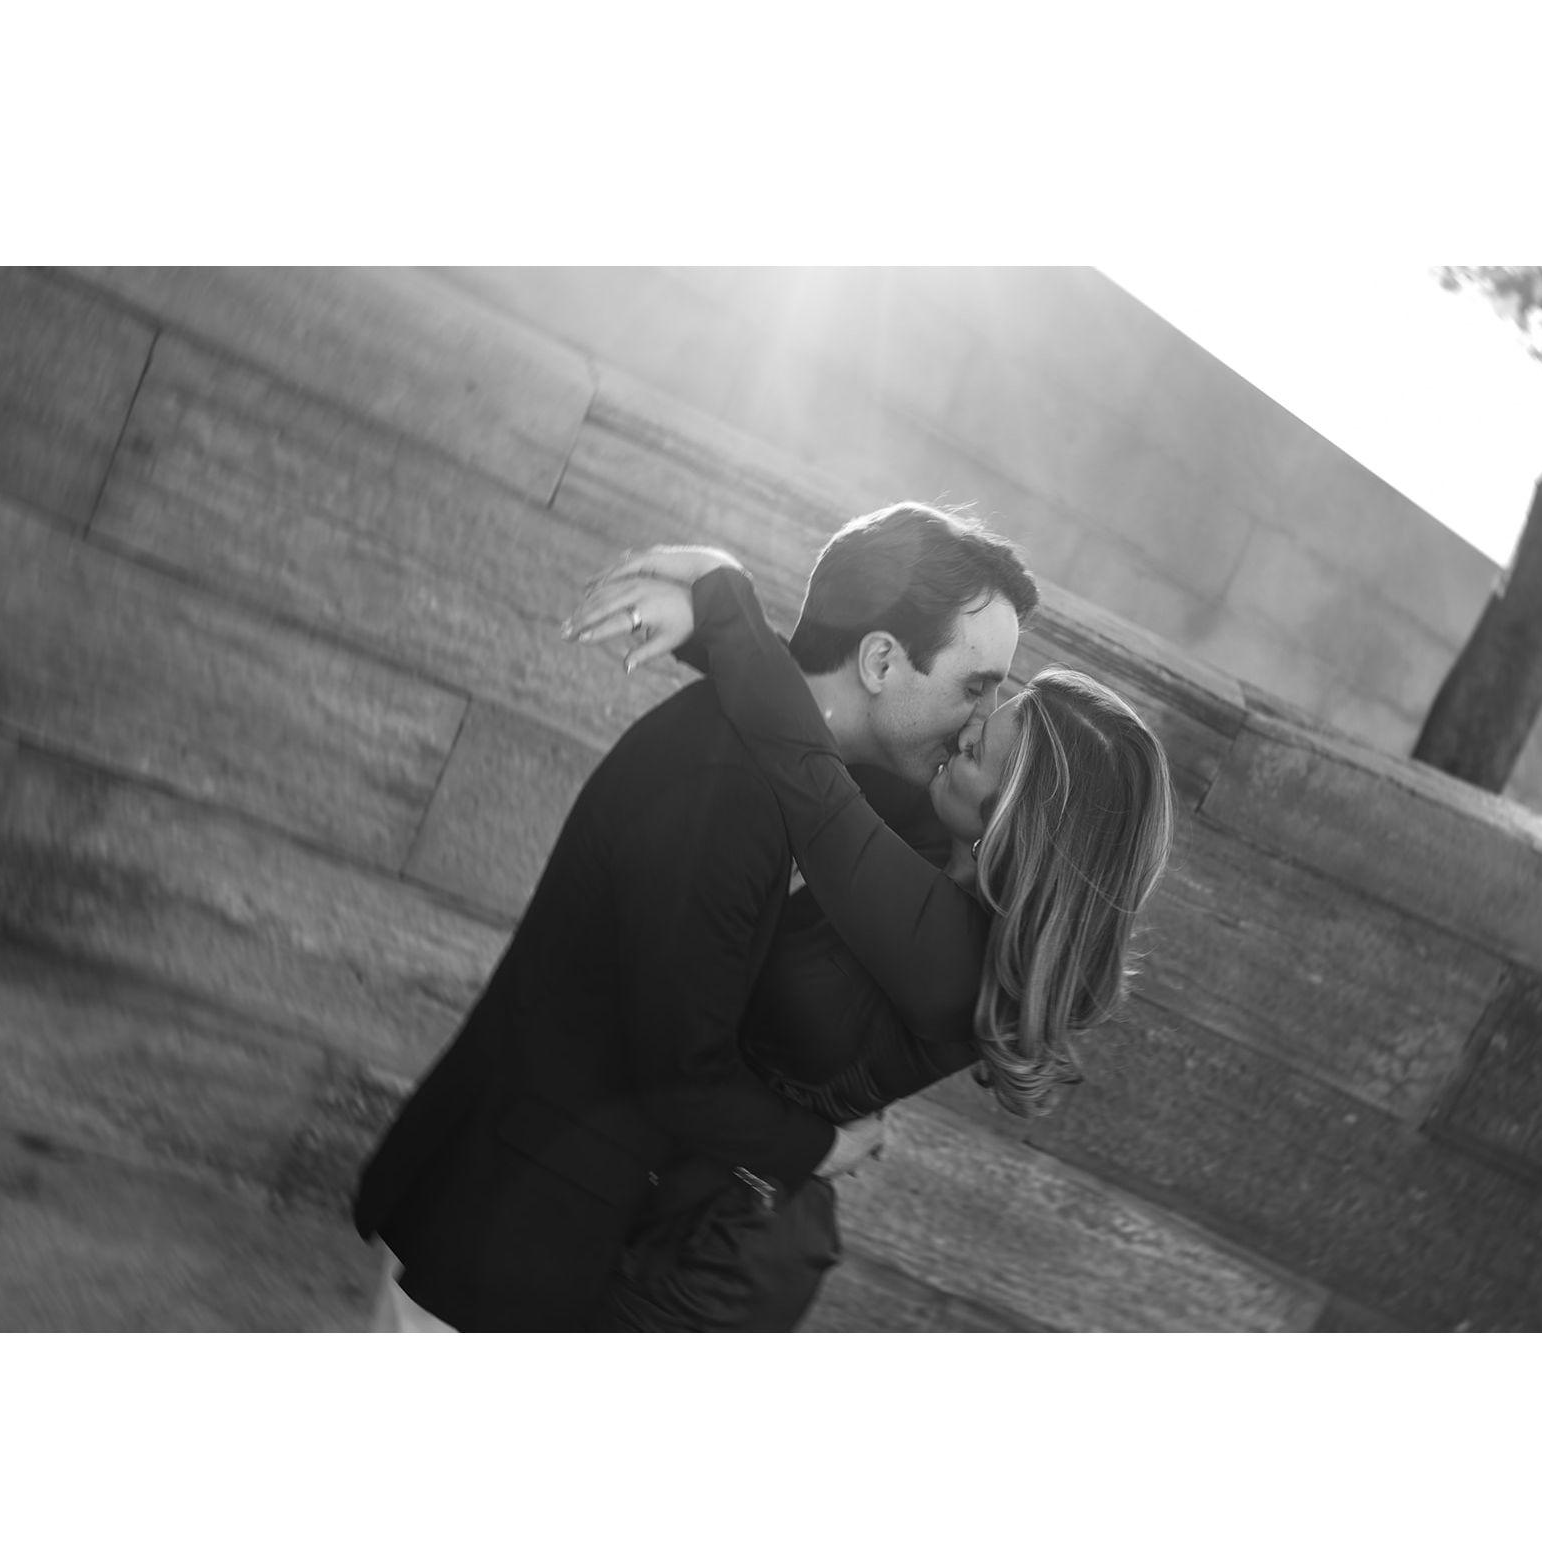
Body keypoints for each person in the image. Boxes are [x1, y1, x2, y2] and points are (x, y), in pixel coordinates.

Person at [352, 502, 1039, 1330]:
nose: (979, 723)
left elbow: (799, 715)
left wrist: (721, 606)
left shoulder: (811, 766)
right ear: (883, 661)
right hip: (495, 1241)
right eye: (975, 687)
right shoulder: (724, 792)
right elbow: (679, 1069)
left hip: (548, 1231)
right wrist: (822, 1148)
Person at [564, 545, 1175, 1328]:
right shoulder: (942, 840)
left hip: (708, 1260)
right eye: (987, 701)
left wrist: (720, 590)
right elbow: (814, 713)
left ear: (1015, 818)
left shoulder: (951, 957)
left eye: (983, 743)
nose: (967, 723)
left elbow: (808, 778)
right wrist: (696, 626)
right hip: (671, 1184)